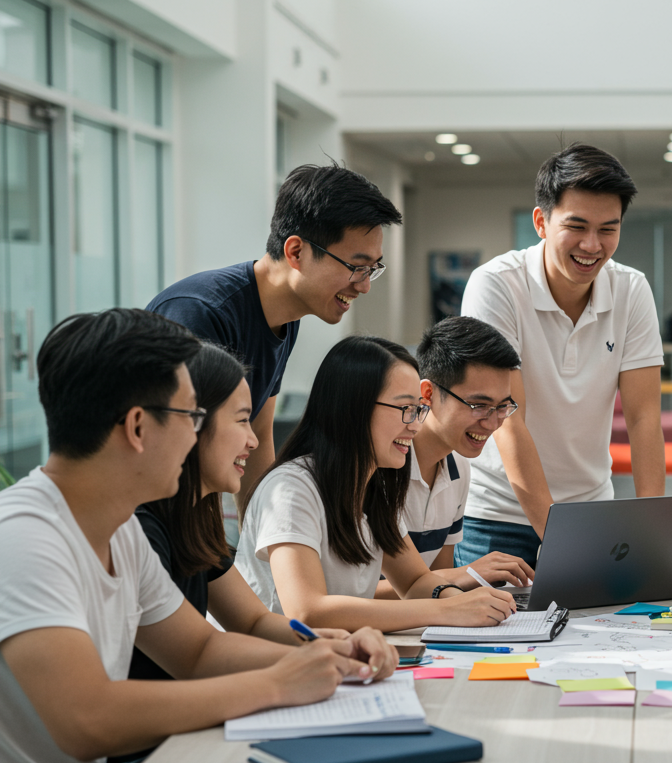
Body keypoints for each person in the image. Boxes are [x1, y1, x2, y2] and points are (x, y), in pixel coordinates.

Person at [0, 309, 390, 763]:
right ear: (138, 427)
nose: (198, 431)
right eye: (189, 415)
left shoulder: (118, 532)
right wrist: (279, 683)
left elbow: (201, 650)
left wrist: (333, 652)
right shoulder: (24, 537)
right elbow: (88, 720)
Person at [147, 162, 403, 513]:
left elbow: (258, 433)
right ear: (296, 252)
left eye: (373, 268)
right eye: (356, 266)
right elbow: (178, 452)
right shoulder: (201, 313)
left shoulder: (286, 315)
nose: (364, 285)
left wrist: (268, 538)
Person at [458, 143, 665, 568]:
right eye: (577, 226)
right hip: (498, 516)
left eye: (608, 229)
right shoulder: (496, 286)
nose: (592, 245)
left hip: (590, 511)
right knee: (490, 632)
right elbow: (508, 420)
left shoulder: (631, 289)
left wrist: (653, 534)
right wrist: (561, 541)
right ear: (541, 222)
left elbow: (645, 419)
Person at [235, 335, 517, 630]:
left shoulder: (372, 488)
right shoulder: (291, 490)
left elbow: (415, 581)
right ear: (353, 408)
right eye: (405, 409)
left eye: (418, 410)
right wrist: (446, 610)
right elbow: (307, 612)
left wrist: (455, 599)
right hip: (269, 666)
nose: (416, 425)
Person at [396, 316, 534, 587]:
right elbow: (354, 590)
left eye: (503, 407)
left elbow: (436, 587)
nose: (493, 423)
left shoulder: (459, 466)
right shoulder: (385, 464)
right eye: (478, 405)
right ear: (427, 394)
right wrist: (470, 573)